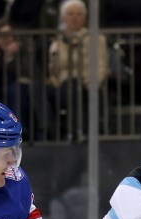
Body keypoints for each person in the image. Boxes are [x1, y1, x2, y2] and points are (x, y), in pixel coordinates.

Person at [45, 0, 108, 141]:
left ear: (85, 18)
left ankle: (78, 132)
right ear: (63, 18)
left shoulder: (96, 39)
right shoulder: (57, 41)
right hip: (61, 84)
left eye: (79, 14)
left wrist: (94, 80)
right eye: (70, 14)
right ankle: (52, 133)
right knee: (40, 90)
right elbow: (53, 69)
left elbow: (101, 65)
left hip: (85, 82)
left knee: (73, 86)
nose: (74, 18)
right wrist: (54, 81)